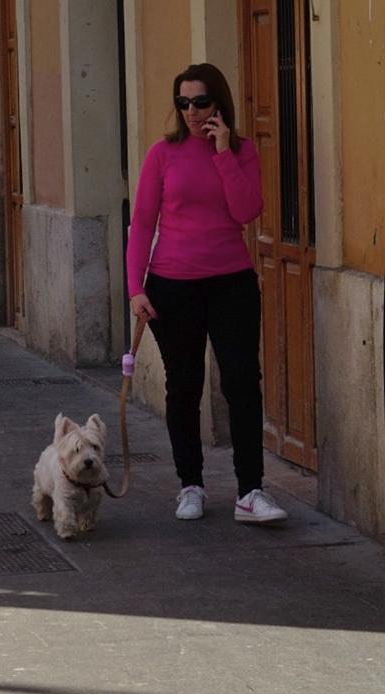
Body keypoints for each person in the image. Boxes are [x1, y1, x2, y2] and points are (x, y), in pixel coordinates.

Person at [127, 63, 287, 525]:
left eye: (200, 102)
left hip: (231, 282)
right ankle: (190, 485)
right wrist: (136, 288)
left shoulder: (240, 151)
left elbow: (247, 210)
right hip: (172, 285)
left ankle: (250, 491)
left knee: (241, 383)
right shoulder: (162, 154)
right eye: (183, 103)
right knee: (184, 386)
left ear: (219, 102)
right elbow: (142, 224)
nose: (192, 112)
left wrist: (222, 152)